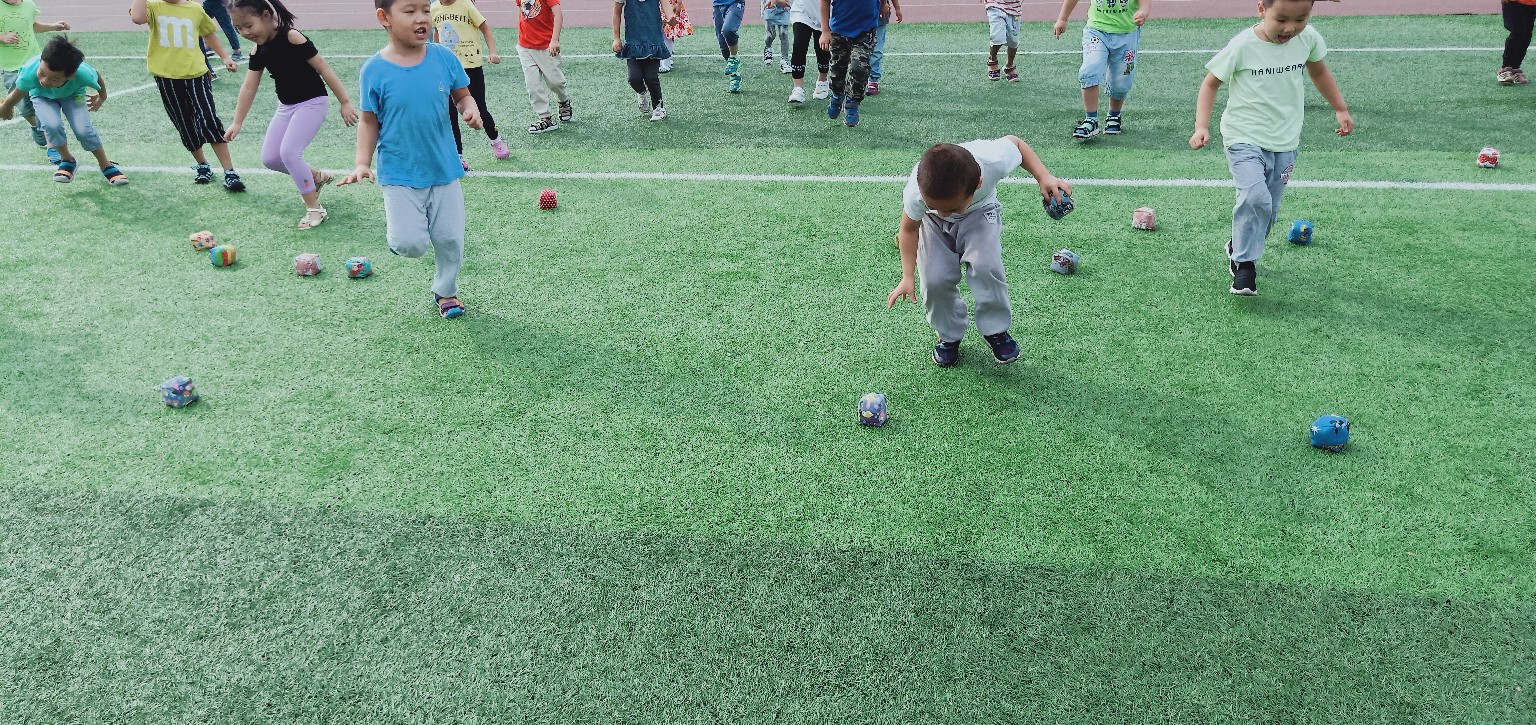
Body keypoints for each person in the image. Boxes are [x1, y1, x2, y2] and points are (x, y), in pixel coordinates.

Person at [1190, 0, 1352, 297]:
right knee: (1256, 198)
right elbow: (1210, 83)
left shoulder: (1308, 38)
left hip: (1286, 141)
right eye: (1282, 19)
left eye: (1301, 19)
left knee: (1270, 209)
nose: (1290, 28)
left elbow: (1319, 72)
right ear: (1262, 10)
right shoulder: (1242, 45)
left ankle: (1238, 246)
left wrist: (1340, 108)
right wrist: (1202, 126)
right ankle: (1245, 265)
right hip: (1243, 136)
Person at [340, 0, 481, 319]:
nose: (422, 19)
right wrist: (362, 162)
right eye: (409, 11)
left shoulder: (443, 57)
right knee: (410, 245)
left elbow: (462, 94)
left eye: (425, 10)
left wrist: (469, 109)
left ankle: (445, 291)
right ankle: (402, 235)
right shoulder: (374, 70)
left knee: (450, 239)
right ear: (384, 17)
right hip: (399, 172)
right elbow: (368, 121)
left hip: (444, 168)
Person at [886, 136, 1072, 367]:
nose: (945, 213)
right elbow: (908, 229)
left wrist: (1044, 177)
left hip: (980, 212)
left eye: (951, 208)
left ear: (978, 184)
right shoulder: (917, 192)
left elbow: (1017, 144)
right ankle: (948, 335)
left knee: (986, 266)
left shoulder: (991, 159)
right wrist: (908, 276)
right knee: (934, 280)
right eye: (934, 206)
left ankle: (995, 331)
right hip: (931, 223)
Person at [225, 0, 359, 230]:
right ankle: (315, 176)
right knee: (270, 158)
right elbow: (249, 87)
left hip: (313, 103)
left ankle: (314, 208)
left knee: (289, 153)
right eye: (238, 28)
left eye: (248, 25)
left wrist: (345, 102)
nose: (245, 33)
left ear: (266, 15)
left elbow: (323, 68)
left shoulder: (292, 37)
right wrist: (237, 122)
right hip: (287, 106)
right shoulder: (258, 50)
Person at [130, 0, 245, 190]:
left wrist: (225, 57)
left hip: (196, 74)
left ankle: (230, 171)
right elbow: (137, 18)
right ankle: (203, 164)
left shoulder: (195, 9)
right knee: (184, 123)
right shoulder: (154, 6)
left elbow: (208, 34)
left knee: (208, 119)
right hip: (166, 77)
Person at [0, 35, 126, 184]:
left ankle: (105, 164)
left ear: (71, 76)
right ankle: (67, 160)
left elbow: (96, 76)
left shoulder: (82, 74)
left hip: (73, 95)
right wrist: (6, 108)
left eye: (54, 79)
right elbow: (17, 93)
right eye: (42, 73)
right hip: (41, 96)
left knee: (83, 130)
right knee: (51, 125)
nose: (44, 81)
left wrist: (102, 97)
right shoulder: (30, 71)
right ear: (40, 62)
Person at [1054, 0, 1149, 141]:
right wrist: (1062, 18)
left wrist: (1143, 11)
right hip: (1096, 30)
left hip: (1127, 33)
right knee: (1089, 70)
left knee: (1122, 80)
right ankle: (1091, 119)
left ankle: (1114, 115)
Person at [433, 0, 505, 168]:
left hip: (471, 66)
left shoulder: (466, 5)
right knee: (450, 113)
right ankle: (457, 155)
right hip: (447, 69)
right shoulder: (434, 9)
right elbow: (437, 32)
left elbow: (485, 28)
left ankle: (496, 140)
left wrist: (492, 52)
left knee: (480, 108)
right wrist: (435, 57)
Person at [0, 0, 68, 163]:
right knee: (23, 105)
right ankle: (36, 126)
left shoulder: (29, 5)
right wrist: (2, 37)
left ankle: (51, 142)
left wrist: (53, 26)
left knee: (43, 99)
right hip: (11, 67)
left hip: (35, 62)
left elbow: (33, 25)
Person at [612, 0, 676, 120]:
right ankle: (641, 92)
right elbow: (616, 13)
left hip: (653, 41)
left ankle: (658, 108)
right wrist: (616, 38)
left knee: (651, 77)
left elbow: (667, 7)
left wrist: (671, 17)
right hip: (633, 42)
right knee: (634, 78)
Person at [818, 0, 879, 126]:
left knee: (860, 67)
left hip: (866, 30)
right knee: (837, 68)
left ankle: (852, 104)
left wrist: (883, 5)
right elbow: (824, 1)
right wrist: (824, 30)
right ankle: (837, 95)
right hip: (839, 29)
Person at [517, 0, 573, 134]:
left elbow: (558, 14)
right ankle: (545, 118)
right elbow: (522, 11)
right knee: (532, 84)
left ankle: (563, 100)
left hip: (546, 46)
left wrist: (555, 39)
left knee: (555, 82)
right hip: (525, 46)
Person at [786, 0, 828, 104]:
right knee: (799, 45)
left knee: (822, 48)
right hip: (802, 10)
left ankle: (822, 81)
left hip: (826, 12)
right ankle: (798, 88)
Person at [864, 0, 898, 94]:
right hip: (860, 14)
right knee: (858, 48)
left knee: (876, 50)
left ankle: (873, 80)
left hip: (879, 14)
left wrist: (897, 8)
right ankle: (857, 78)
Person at [1500, 0, 1536, 84]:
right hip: (1513, 2)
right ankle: (1506, 69)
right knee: (1518, 33)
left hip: (1532, 2)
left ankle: (1515, 69)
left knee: (1526, 35)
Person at [982, 0, 1019, 82]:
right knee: (997, 37)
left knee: (1013, 41)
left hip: (1014, 7)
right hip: (995, 4)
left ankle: (1009, 65)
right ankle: (992, 59)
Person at [713, 0, 745, 92]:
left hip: (735, 3)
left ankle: (734, 57)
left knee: (728, 30)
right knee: (723, 46)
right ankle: (734, 76)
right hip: (718, 5)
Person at [659, 0, 690, 73]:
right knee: (660, 34)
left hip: (669, 5)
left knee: (667, 34)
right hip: (655, 5)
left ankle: (666, 62)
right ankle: (664, 60)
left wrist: (678, 4)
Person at [763, 0, 790, 72]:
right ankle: (768, 47)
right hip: (770, 5)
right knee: (770, 35)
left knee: (784, 33)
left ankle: (785, 60)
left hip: (784, 6)